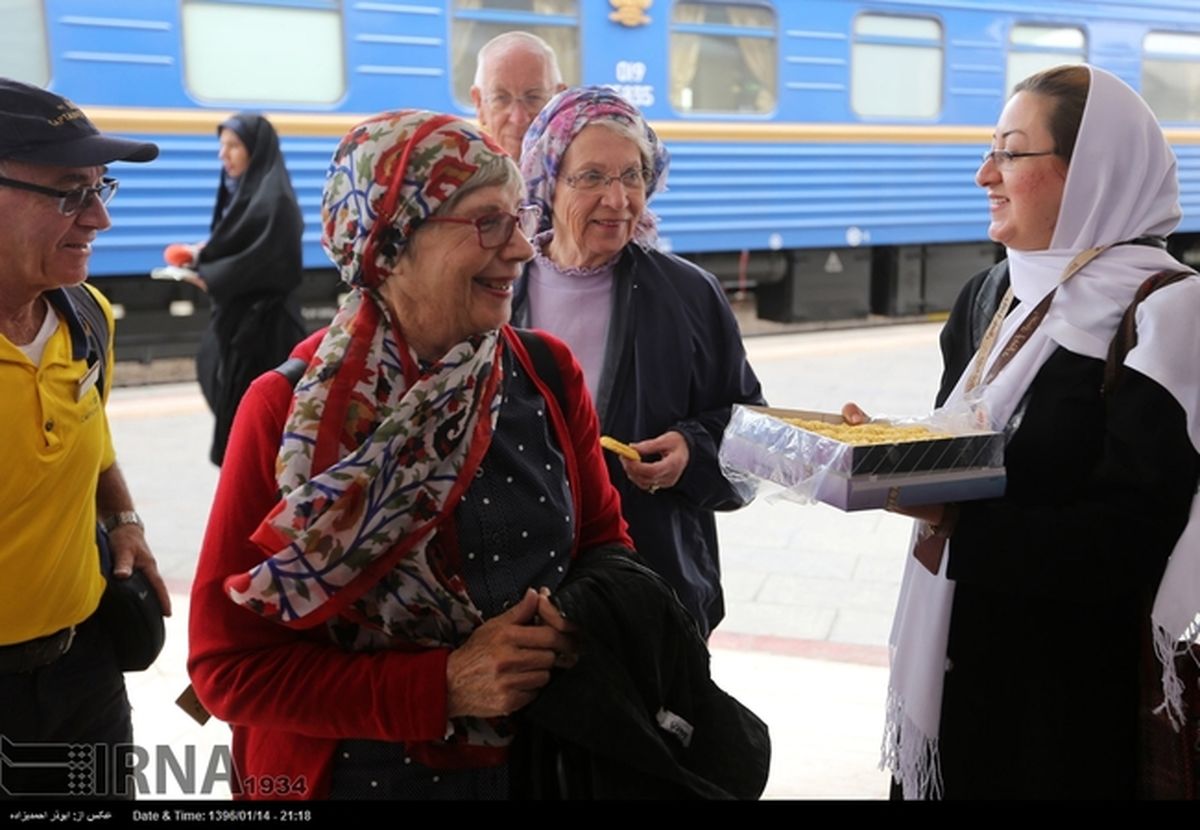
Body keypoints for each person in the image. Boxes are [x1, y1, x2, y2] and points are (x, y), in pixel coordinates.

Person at [187, 110, 632, 800]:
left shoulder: (547, 372)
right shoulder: (286, 412)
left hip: (545, 766)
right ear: (391, 241)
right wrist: (443, 686)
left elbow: (607, 549)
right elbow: (229, 668)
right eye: (488, 222)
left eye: (520, 219)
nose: (520, 249)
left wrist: (575, 620)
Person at [878, 65, 1200, 799]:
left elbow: (1129, 544)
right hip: (958, 663)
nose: (985, 174)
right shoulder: (994, 293)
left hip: (1070, 702)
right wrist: (886, 454)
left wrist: (954, 518)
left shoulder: (1166, 314)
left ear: (1091, 172)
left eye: (1012, 153)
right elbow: (958, 450)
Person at [515, 87, 765, 638]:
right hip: (517, 592)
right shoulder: (499, 288)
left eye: (632, 176)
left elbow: (750, 430)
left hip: (655, 589)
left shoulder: (690, 294)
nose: (618, 198)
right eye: (591, 177)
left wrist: (691, 450)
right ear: (547, 182)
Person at [0, 78, 171, 799]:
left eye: (102, 187)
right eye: (70, 192)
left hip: (84, 672)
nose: (98, 217)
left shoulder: (85, 318)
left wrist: (123, 520)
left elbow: (90, 430)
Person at [182, 113, 306, 466]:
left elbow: (266, 263)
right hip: (240, 329)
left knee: (259, 439)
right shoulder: (246, 197)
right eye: (221, 146)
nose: (223, 154)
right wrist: (203, 255)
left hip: (265, 337)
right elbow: (236, 246)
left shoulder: (276, 202)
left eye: (233, 146)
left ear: (256, 150)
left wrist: (213, 275)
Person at [471, 31, 566, 160]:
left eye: (533, 97)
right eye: (501, 98)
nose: (518, 119)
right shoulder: (460, 176)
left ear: (560, 99)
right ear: (479, 104)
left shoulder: (583, 172)